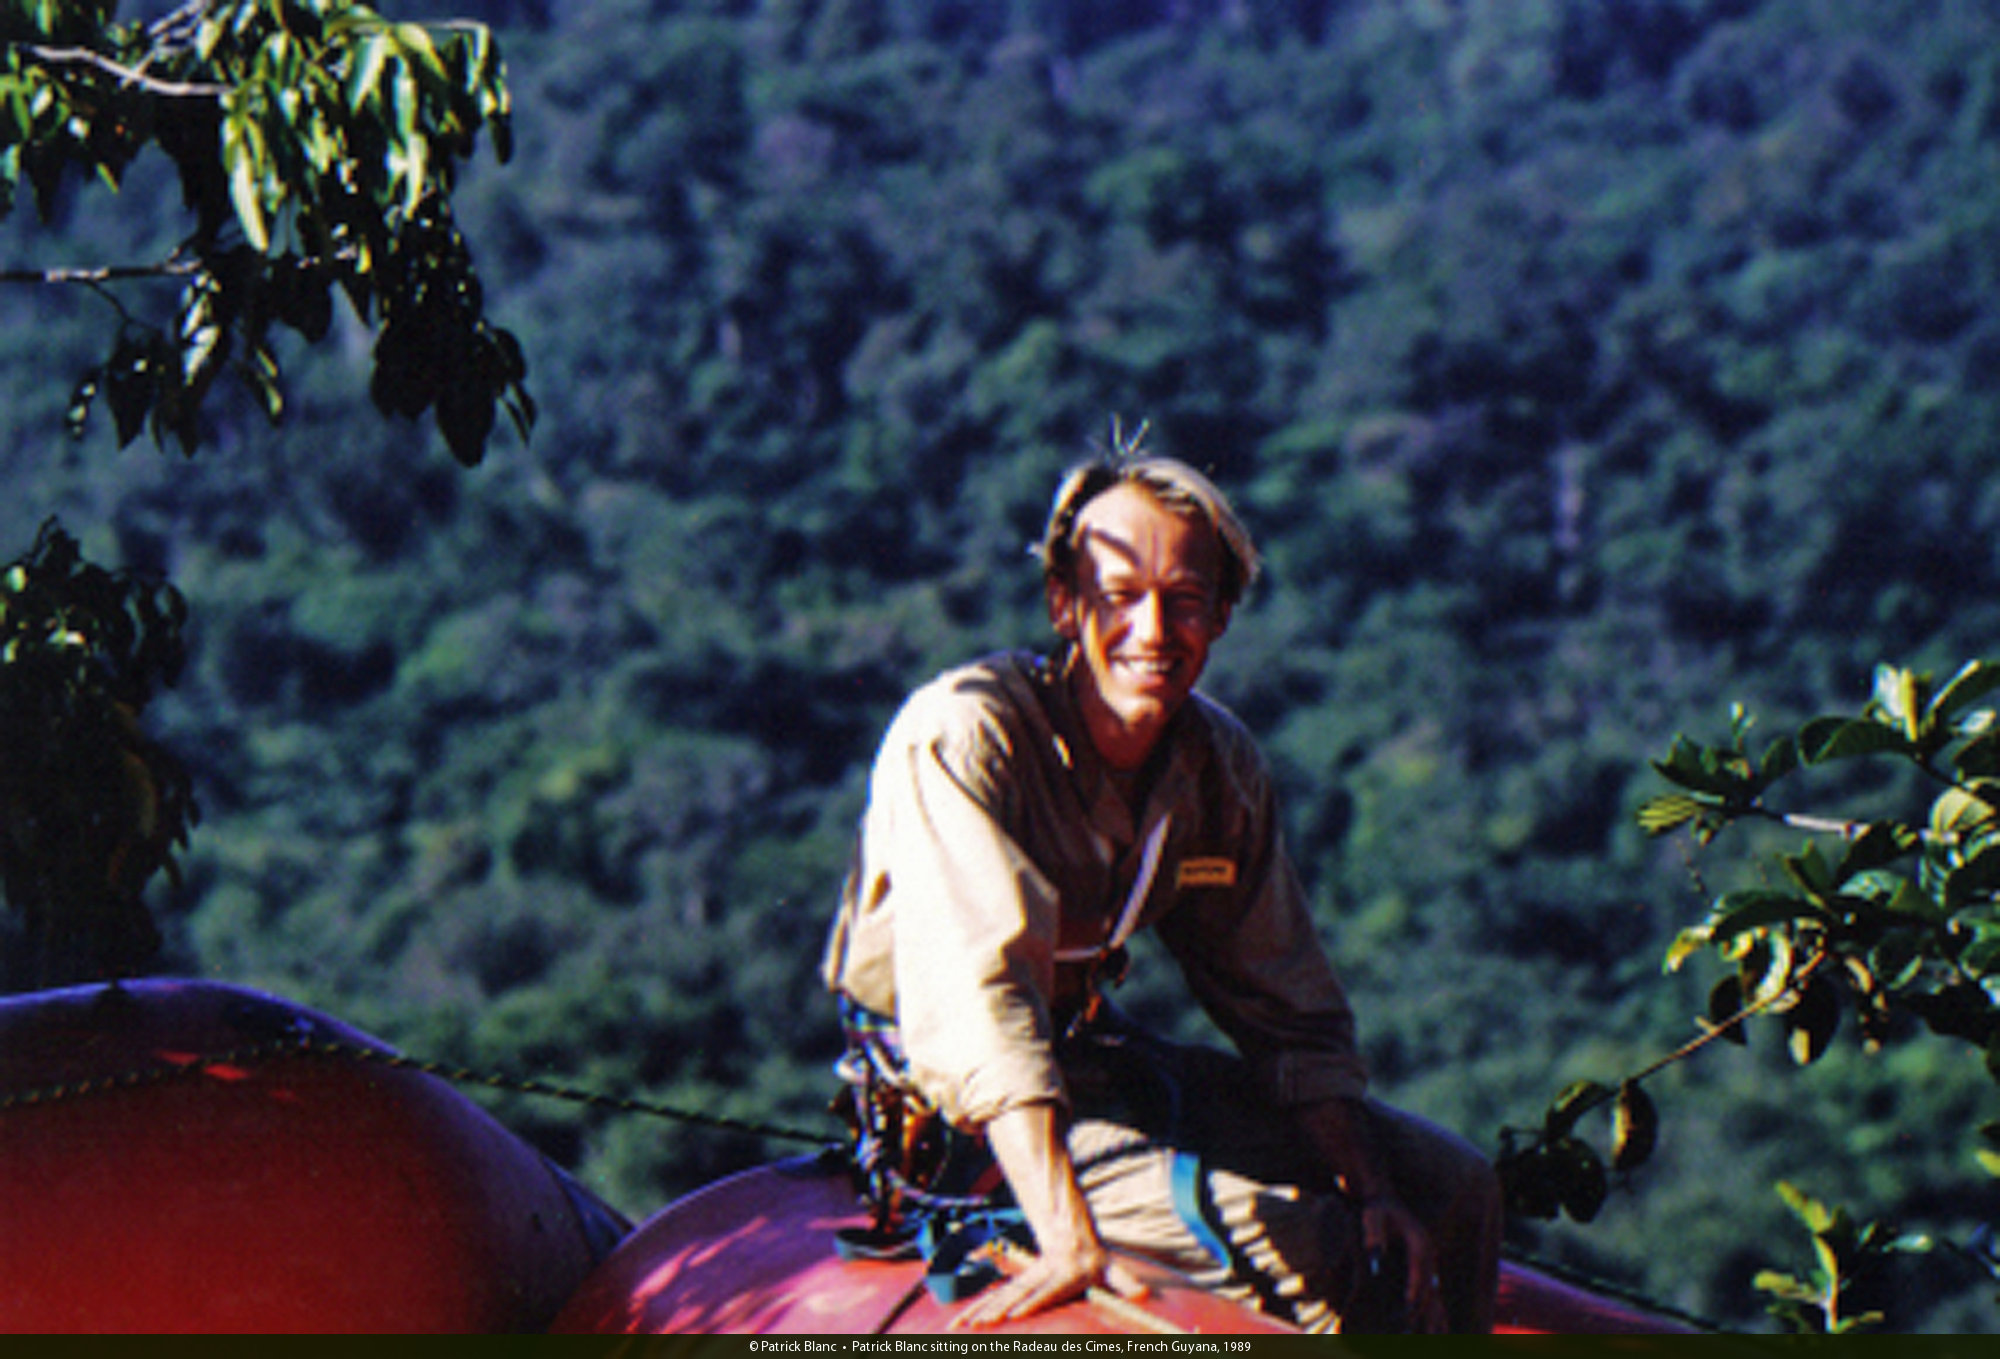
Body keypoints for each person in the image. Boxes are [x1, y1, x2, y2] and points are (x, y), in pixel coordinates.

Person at [820, 439, 1501, 1333]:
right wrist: (1067, 1234)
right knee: (1306, 1247)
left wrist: (1372, 1187)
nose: (1152, 630)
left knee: (1455, 1187)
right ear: (1063, 603)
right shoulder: (967, 734)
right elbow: (982, 1004)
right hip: (958, 1103)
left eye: (1184, 600)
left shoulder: (1215, 767)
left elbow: (1284, 1006)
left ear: (1220, 616)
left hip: (1092, 1059)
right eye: (1119, 596)